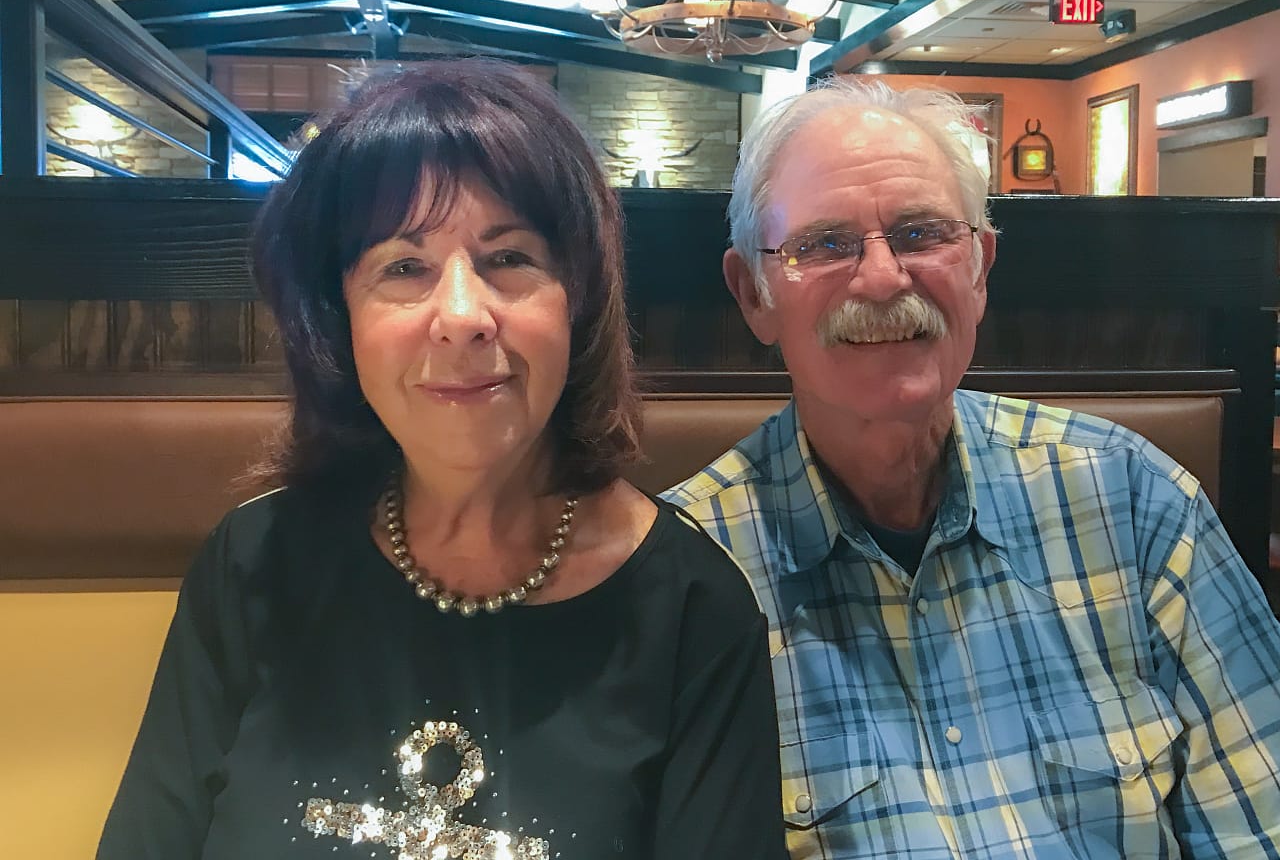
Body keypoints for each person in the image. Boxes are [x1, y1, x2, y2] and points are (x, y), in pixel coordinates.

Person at [99, 59, 785, 860]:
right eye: (404, 267)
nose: (462, 315)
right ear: (339, 319)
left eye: (510, 258)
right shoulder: (254, 563)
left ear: (579, 301)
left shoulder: (694, 612)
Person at [664, 77, 1280, 858]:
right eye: (824, 245)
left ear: (980, 269)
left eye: (921, 234)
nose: (882, 278)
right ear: (754, 295)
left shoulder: (1136, 503)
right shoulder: (686, 575)